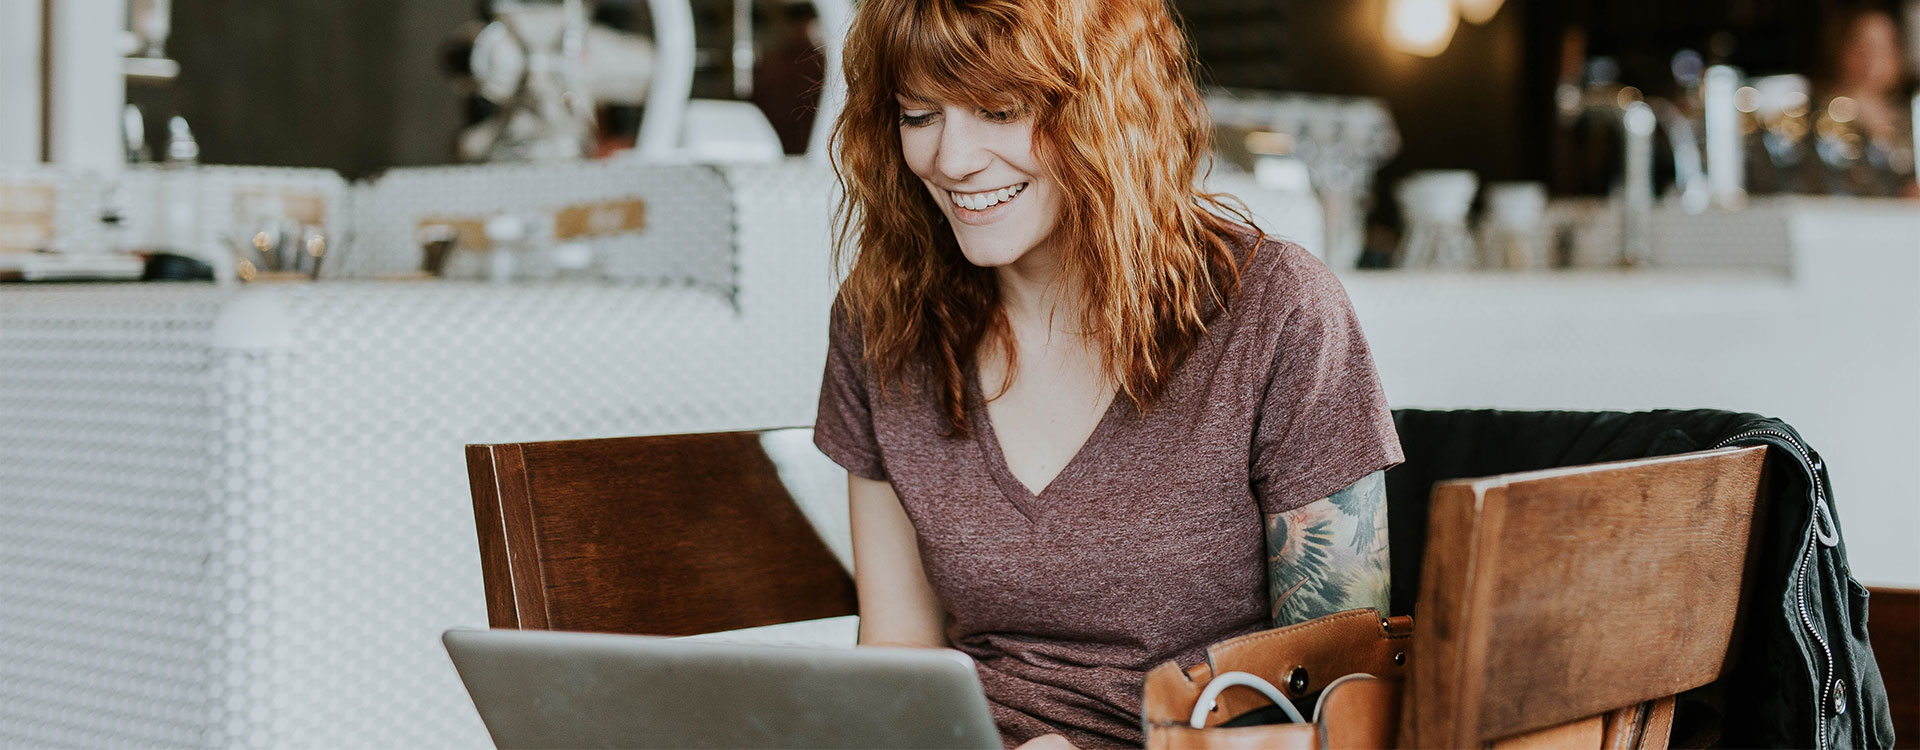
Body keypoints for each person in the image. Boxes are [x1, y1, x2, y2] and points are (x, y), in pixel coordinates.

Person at [811, 0, 1402, 747]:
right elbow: (897, 652)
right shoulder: (882, 321)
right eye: (918, 115)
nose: (951, 159)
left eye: (999, 110)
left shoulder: (1277, 311)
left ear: (1108, 106)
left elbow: (1345, 697)